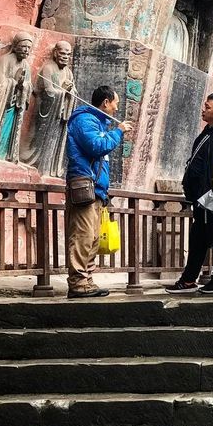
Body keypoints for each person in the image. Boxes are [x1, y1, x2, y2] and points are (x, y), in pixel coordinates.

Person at [65, 86, 131, 298]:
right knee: (83, 236)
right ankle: (77, 283)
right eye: (115, 103)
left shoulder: (98, 122)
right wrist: (118, 131)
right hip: (84, 185)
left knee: (93, 238)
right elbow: (96, 146)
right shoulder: (85, 120)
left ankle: (86, 281)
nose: (116, 107)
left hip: (97, 189)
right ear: (105, 102)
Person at [166, 93, 213, 294]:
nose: (203, 109)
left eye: (208, 106)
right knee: (199, 238)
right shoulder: (207, 132)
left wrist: (211, 188)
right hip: (201, 197)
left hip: (211, 196)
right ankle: (189, 279)